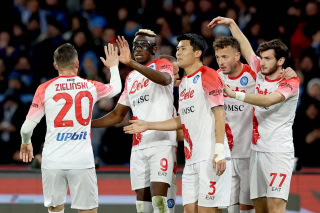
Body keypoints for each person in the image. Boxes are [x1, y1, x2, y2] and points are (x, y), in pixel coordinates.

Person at [124, 33, 232, 213]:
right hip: (191, 159)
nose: (178, 53)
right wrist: (148, 125)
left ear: (197, 53)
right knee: (190, 210)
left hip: (210, 155)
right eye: (177, 49)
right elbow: (182, 120)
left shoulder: (208, 75)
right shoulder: (183, 84)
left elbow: (220, 114)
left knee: (208, 211)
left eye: (183, 49)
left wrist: (219, 152)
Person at [208, 17, 299, 213]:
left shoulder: (290, 82)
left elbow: (267, 100)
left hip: (278, 151)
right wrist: (232, 24)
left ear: (281, 61)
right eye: (262, 58)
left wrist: (234, 94)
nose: (262, 62)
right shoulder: (259, 71)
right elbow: (246, 47)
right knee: (259, 208)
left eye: (268, 59)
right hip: (256, 151)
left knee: (275, 207)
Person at [19, 43, 122, 213]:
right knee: (87, 211)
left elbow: (26, 128)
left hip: (52, 160)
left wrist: (25, 143)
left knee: (55, 210)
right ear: (77, 64)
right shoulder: (90, 86)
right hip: (81, 160)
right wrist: (114, 67)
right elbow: (116, 88)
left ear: (55, 65)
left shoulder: (44, 89)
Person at [91, 29, 177, 213]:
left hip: (161, 141)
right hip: (138, 145)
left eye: (144, 45)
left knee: (159, 202)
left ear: (154, 49)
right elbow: (117, 115)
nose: (138, 48)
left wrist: (130, 62)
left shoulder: (162, 64)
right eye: (135, 45)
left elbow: (164, 80)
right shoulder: (131, 78)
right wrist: (87, 124)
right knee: (142, 204)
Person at [213, 36, 256, 213]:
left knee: (247, 207)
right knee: (231, 207)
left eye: (225, 56)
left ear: (238, 56)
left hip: (250, 153)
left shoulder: (252, 74)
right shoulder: (216, 77)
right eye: (217, 57)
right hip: (228, 154)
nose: (221, 62)